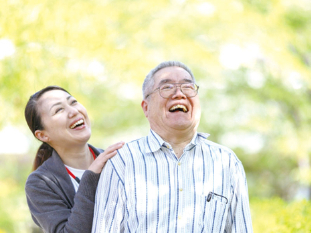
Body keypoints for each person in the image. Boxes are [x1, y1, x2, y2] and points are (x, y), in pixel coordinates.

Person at [92, 61, 253, 233]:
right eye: (167, 87)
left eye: (187, 86)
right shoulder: (122, 161)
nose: (179, 94)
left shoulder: (227, 162)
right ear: (146, 108)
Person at [24, 86, 124, 233]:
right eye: (58, 110)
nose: (73, 111)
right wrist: (90, 178)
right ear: (43, 135)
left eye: (73, 102)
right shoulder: (40, 183)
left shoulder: (118, 161)